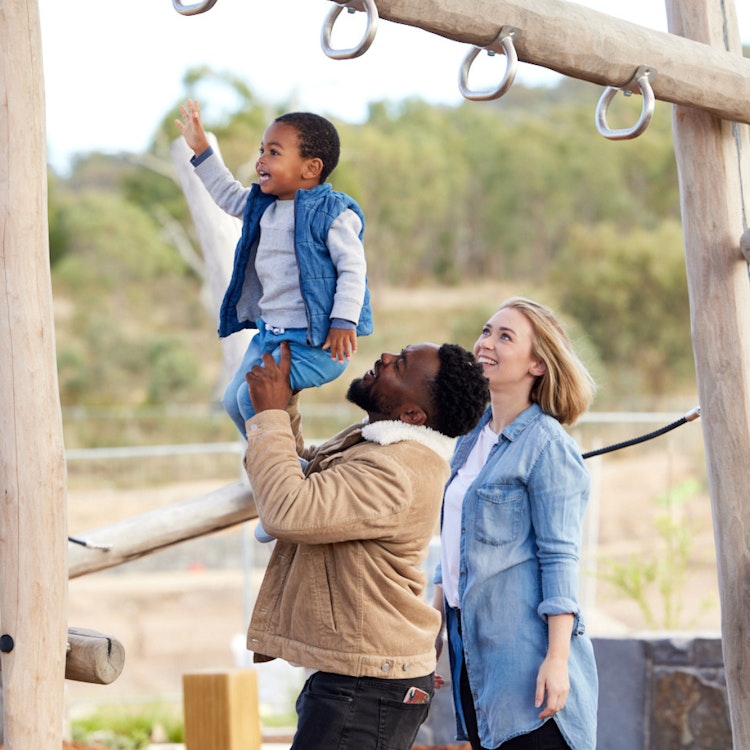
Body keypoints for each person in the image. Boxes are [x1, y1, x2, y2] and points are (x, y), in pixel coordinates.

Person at [242, 339, 489, 750]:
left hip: (366, 686)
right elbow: (309, 476)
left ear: (412, 414)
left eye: (401, 365)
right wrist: (282, 403)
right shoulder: (383, 449)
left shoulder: (395, 471)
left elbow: (287, 507)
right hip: (362, 679)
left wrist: (269, 414)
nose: (386, 358)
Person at [434, 297, 598, 750]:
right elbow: (453, 545)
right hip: (472, 657)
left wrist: (557, 660)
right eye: (487, 331)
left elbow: (561, 559)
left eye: (505, 337)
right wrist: (432, 630)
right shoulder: (470, 438)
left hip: (526, 666)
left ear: (538, 365)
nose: (486, 343)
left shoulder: (548, 447)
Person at [175, 99, 372, 440]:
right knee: (233, 401)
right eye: (262, 150)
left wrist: (344, 320)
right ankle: (278, 460)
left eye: (274, 152)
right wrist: (202, 149)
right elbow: (224, 192)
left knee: (254, 401)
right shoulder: (261, 206)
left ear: (310, 169)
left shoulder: (333, 213)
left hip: (316, 343)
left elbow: (353, 270)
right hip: (270, 336)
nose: (260, 160)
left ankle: (284, 471)